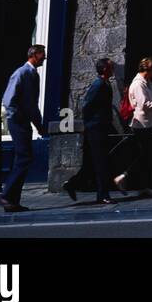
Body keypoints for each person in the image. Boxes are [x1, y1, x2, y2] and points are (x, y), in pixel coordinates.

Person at [0, 44, 47, 213]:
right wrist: (17, 118)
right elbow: (8, 99)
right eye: (43, 54)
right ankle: (6, 195)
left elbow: (32, 104)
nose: (45, 57)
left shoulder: (33, 74)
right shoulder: (22, 73)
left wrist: (38, 125)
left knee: (23, 158)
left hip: (24, 122)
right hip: (18, 122)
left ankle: (12, 202)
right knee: (24, 158)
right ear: (35, 54)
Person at [64, 58, 119, 204]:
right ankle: (103, 195)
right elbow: (87, 105)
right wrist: (88, 125)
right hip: (96, 128)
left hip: (101, 127)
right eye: (111, 66)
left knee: (91, 163)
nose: (113, 68)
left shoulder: (105, 84)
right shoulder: (98, 84)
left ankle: (72, 184)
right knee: (101, 162)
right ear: (105, 69)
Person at [116, 57, 152, 197]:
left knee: (146, 156)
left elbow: (147, 100)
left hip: (147, 124)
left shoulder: (146, 83)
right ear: (148, 69)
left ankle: (142, 187)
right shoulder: (138, 84)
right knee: (144, 155)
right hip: (140, 125)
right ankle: (124, 177)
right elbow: (144, 105)